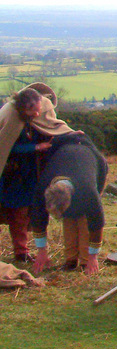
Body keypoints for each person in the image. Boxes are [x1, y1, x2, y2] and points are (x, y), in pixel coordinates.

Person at [0, 83, 73, 262]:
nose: (37, 114)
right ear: (23, 108)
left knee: (23, 214)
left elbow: (52, 128)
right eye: (33, 111)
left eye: (39, 110)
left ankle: (21, 252)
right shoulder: (10, 116)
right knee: (15, 212)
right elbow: (6, 146)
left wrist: (71, 134)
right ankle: (20, 252)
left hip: (29, 174)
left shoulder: (39, 115)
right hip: (10, 175)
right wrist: (34, 147)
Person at [31, 133, 107, 275]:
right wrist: (41, 251)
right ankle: (70, 260)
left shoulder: (88, 189)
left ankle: (85, 261)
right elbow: (37, 216)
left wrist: (93, 256)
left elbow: (97, 221)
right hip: (65, 159)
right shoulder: (43, 186)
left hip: (93, 162)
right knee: (69, 218)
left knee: (84, 219)